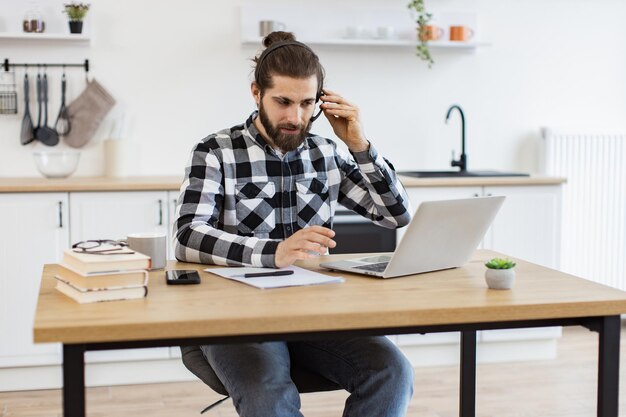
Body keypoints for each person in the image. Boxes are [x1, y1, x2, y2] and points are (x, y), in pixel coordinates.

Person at [173, 31, 414, 417]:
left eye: (306, 104)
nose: (295, 117)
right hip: (238, 317)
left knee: (392, 372)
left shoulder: (326, 153)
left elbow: (394, 214)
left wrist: (359, 145)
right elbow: (187, 237)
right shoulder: (215, 151)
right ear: (256, 92)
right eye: (283, 102)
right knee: (269, 395)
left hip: (314, 313)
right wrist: (274, 252)